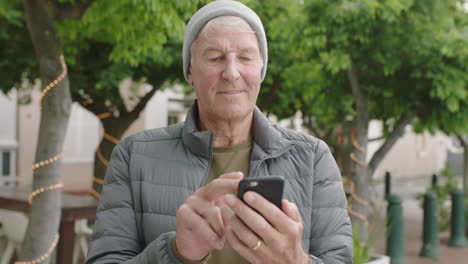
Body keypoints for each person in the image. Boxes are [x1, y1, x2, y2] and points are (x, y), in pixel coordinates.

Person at [85, 1, 353, 263]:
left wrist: (296, 261)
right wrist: (177, 253)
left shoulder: (313, 157)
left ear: (261, 70)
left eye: (246, 57)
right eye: (215, 58)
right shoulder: (134, 156)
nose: (231, 72)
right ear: (190, 71)